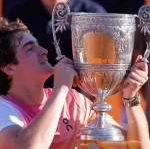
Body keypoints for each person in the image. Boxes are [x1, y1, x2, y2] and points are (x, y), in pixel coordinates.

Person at [0, 18, 149, 149]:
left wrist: (131, 98)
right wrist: (61, 89)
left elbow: (133, 147)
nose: (44, 51)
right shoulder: (3, 108)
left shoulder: (73, 102)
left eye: (38, 45)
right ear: (8, 67)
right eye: (30, 49)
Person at [4, 0, 106, 88]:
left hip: (77, 101)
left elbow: (103, 66)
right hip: (30, 101)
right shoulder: (18, 13)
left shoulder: (93, 13)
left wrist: (84, 100)